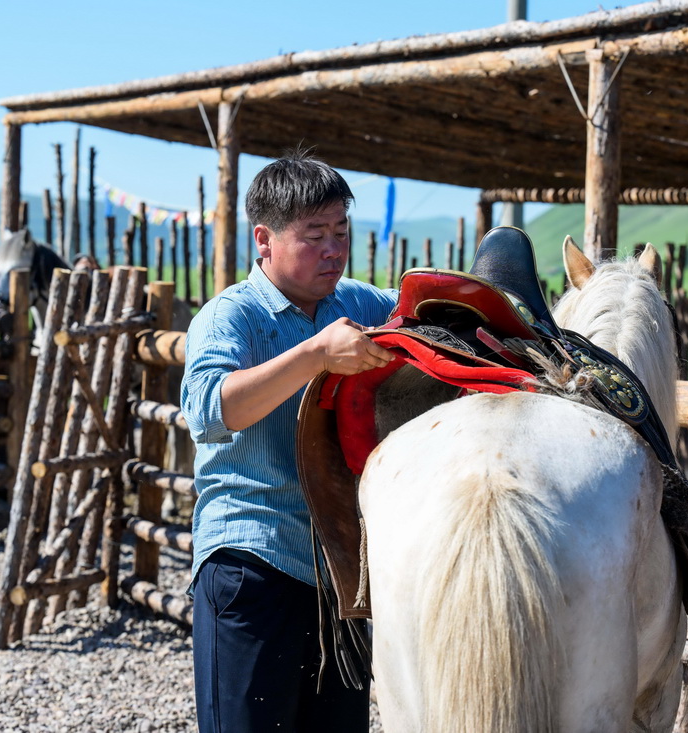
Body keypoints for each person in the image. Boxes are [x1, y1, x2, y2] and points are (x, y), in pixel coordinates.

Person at [181, 150, 396, 733]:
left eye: (341, 232)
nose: (333, 248)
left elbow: (426, 332)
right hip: (251, 558)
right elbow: (208, 412)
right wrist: (316, 355)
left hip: (339, 571)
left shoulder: (360, 305)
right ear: (264, 240)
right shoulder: (233, 317)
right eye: (314, 235)